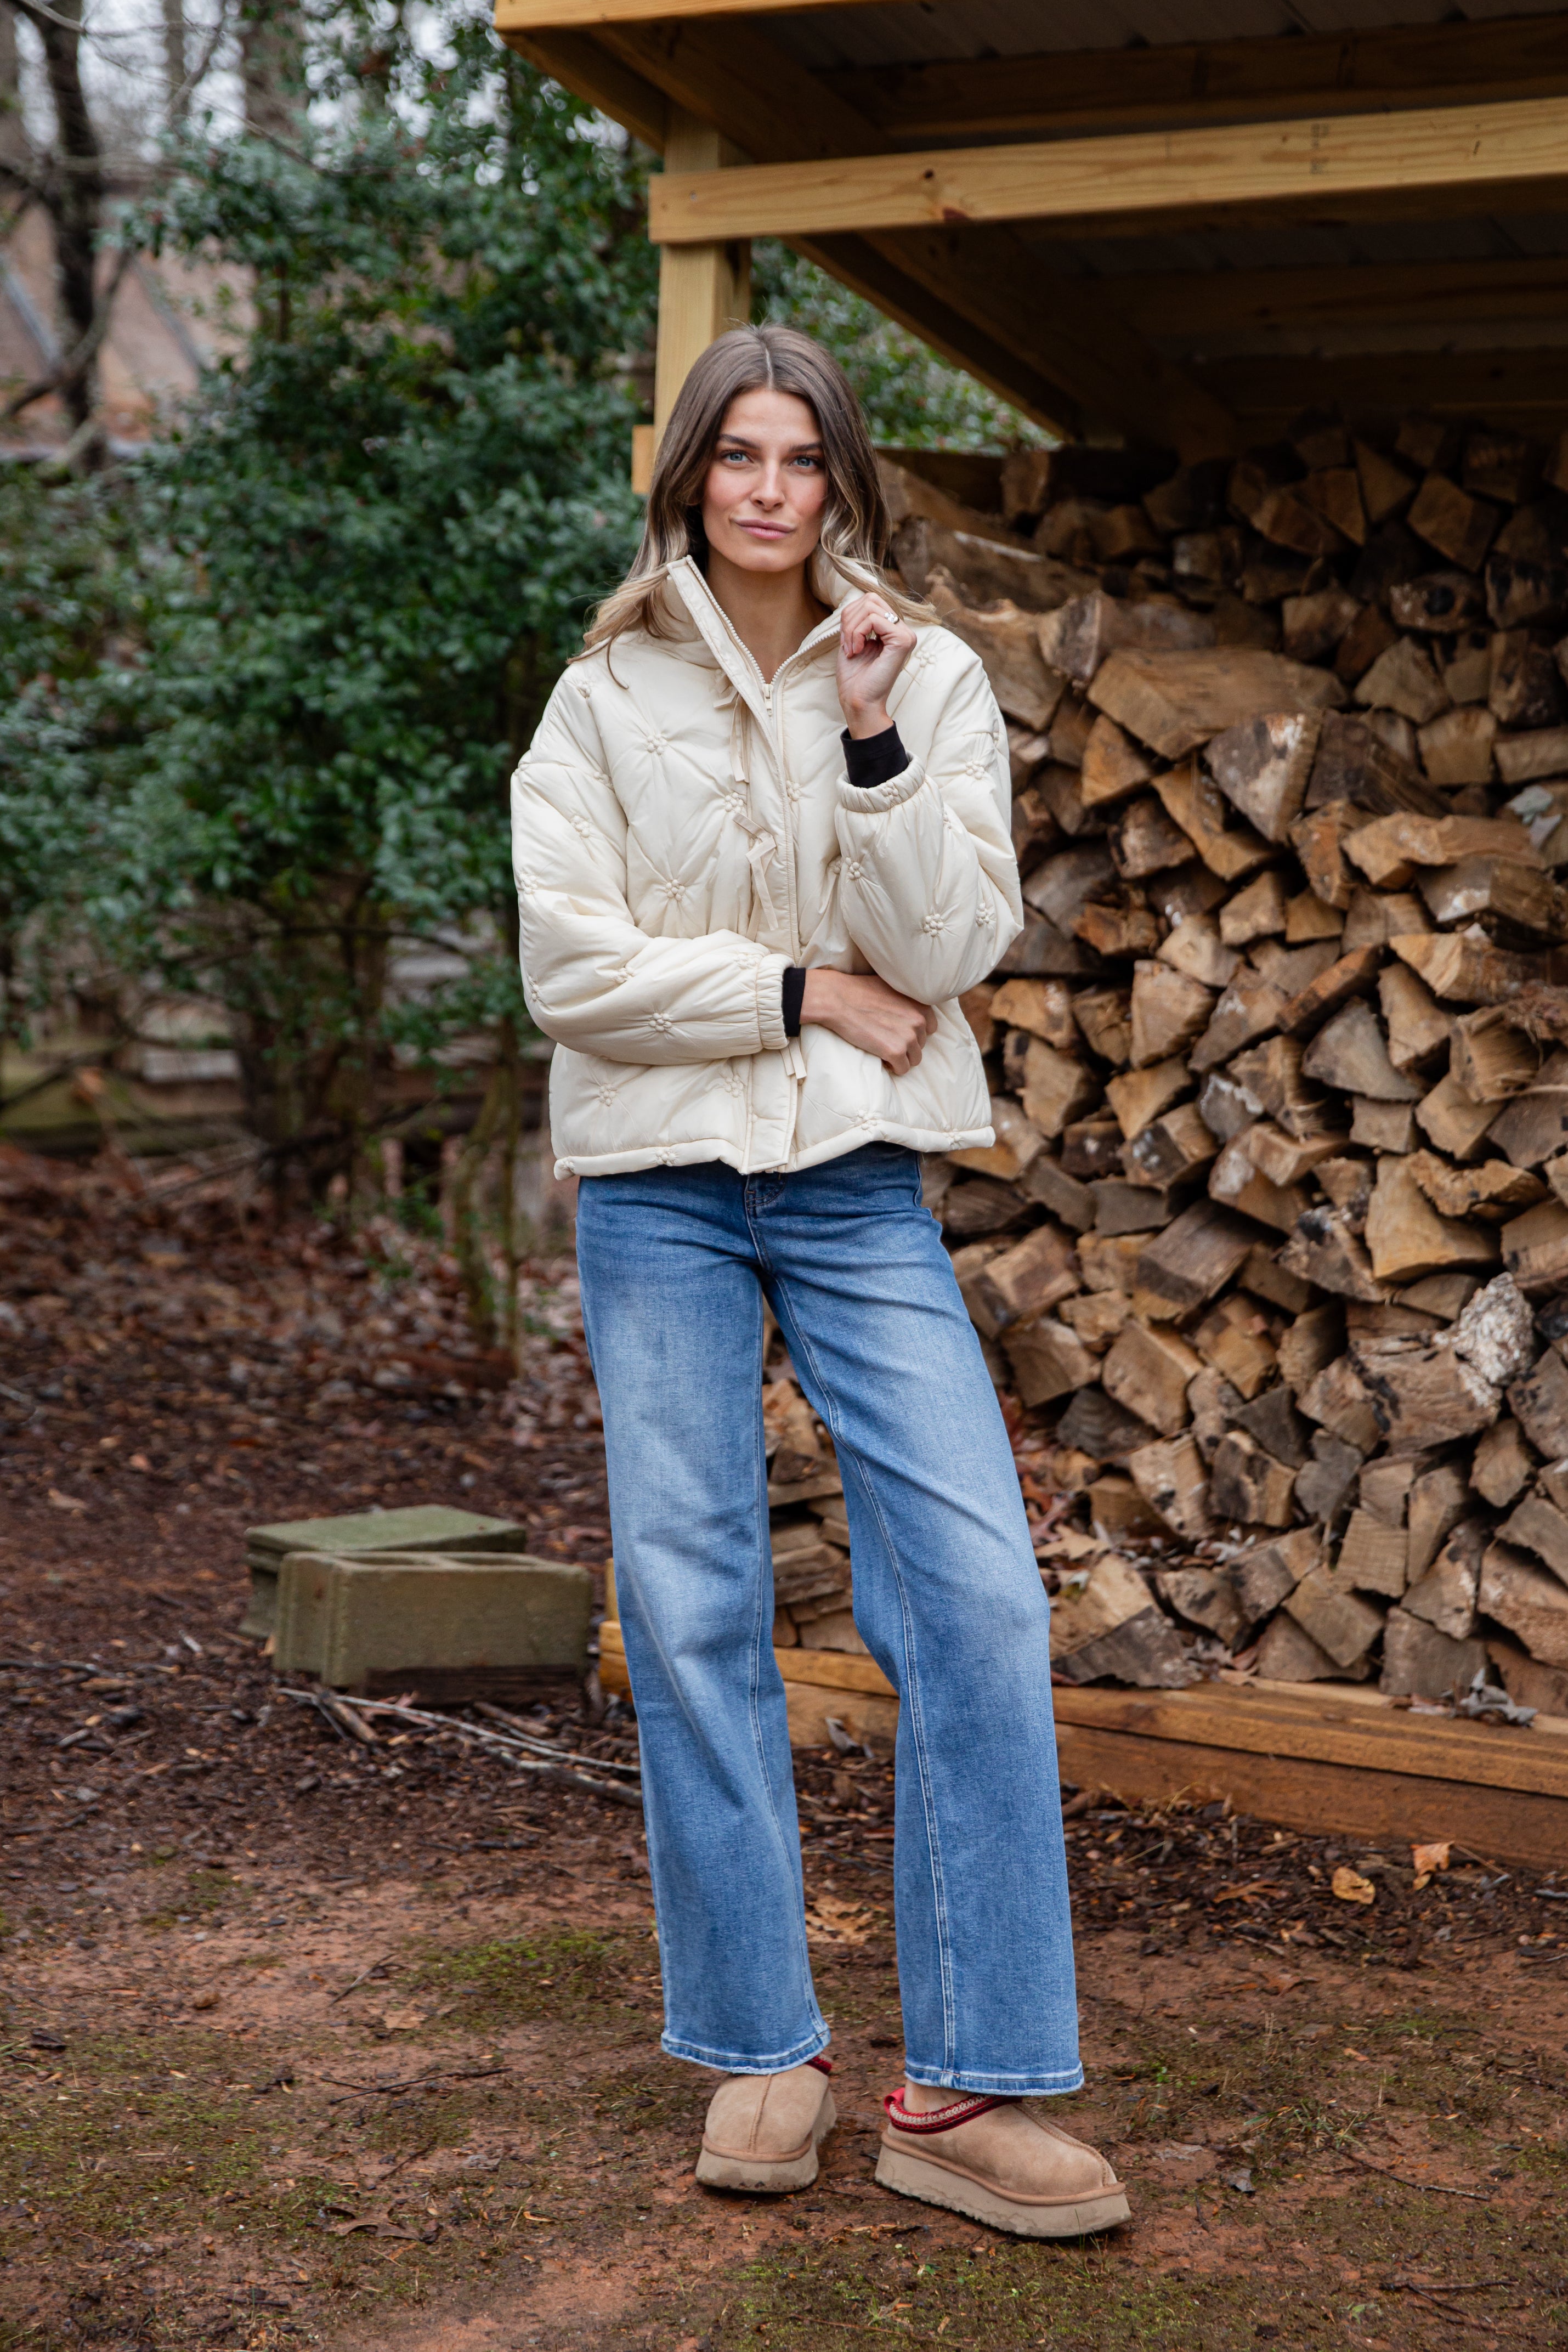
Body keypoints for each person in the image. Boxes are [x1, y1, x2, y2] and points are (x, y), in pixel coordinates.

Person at [510, 324, 1128, 2240]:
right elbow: (567, 965)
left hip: (855, 1183)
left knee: (970, 1592)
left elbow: (953, 937)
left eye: (800, 458)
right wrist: (792, 992)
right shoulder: (600, 698)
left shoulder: (922, 673)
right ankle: (761, 2056)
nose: (766, 488)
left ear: (839, 482)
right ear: (690, 472)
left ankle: (957, 2096)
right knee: (691, 1599)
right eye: (735, 455)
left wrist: (866, 743)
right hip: (661, 1193)